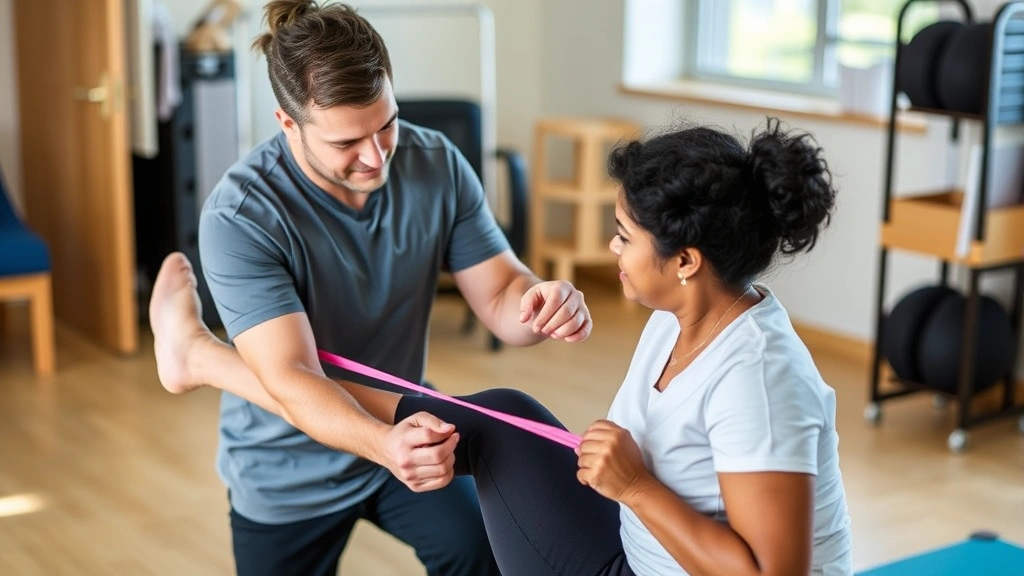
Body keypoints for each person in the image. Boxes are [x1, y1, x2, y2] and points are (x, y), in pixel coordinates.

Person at [154, 115, 853, 576]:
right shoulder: (682, 314)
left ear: (686, 260)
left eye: (623, 235)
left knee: (480, 452)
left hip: (636, 557)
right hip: (637, 544)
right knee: (496, 414)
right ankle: (204, 358)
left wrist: (637, 486)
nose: (609, 248)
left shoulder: (756, 381)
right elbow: (508, 306)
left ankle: (205, 358)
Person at [161, 2, 597, 575]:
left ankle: (193, 354)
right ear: (288, 123)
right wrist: (380, 443)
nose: (375, 155)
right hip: (286, 467)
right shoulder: (242, 215)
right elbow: (292, 376)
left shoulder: (436, 163)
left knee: (481, 557)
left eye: (386, 123)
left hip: (405, 431)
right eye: (346, 143)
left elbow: (499, 296)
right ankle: (190, 352)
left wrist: (539, 303)